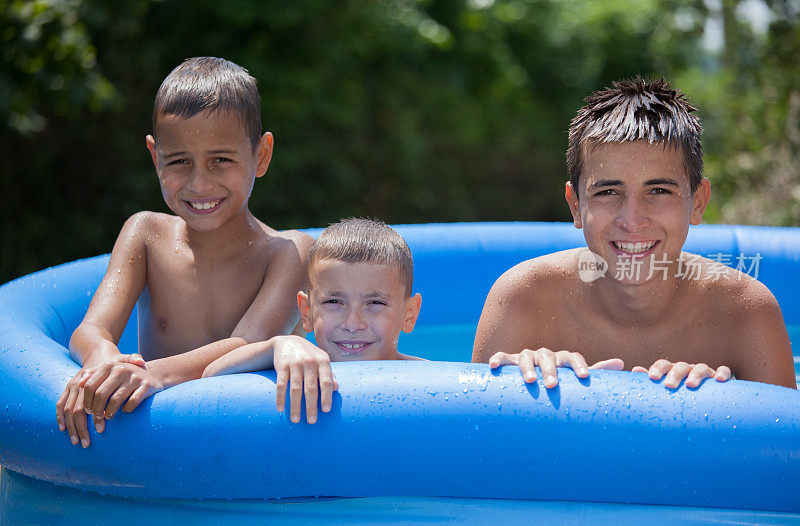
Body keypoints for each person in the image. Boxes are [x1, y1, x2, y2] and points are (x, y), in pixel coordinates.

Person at [472, 77, 796, 390]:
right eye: (608, 192)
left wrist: (723, 400)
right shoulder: (524, 299)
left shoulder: (744, 310)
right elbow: (475, 437)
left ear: (698, 202)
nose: (632, 220)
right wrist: (524, 385)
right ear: (576, 206)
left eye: (658, 190)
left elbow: (784, 442)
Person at [56, 57, 314, 447]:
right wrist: (101, 363)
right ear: (155, 156)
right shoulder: (145, 234)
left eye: (220, 160)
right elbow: (90, 329)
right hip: (160, 444)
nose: (199, 183)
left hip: (253, 439)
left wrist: (154, 374)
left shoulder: (288, 253)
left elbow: (247, 346)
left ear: (261, 156)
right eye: (179, 161)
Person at [203, 218, 424, 424]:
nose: (353, 323)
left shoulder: (426, 378)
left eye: (375, 303)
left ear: (410, 314)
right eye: (334, 301)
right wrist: (280, 345)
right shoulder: (297, 367)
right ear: (306, 312)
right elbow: (212, 376)